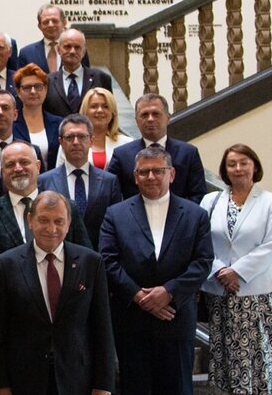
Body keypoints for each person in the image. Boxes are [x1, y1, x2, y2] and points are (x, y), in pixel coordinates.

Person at [99, 146, 213, 395]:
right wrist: (139, 296)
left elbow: (203, 261)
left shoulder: (196, 215)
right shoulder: (115, 214)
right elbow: (108, 260)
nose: (151, 177)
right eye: (144, 172)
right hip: (132, 320)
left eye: (158, 171)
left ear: (171, 174)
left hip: (176, 316)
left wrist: (169, 292)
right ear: (135, 176)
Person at [0, 191, 116, 395]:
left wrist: (103, 386)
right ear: (30, 220)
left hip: (77, 378)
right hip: (25, 378)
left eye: (59, 221)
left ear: (69, 223)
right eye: (43, 220)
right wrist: (1, 385)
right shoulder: (7, 264)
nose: (52, 229)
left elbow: (102, 328)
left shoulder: (91, 262)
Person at [201, 144, 272, 395]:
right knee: (224, 356)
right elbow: (201, 242)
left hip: (257, 292)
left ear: (255, 166)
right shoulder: (211, 200)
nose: (238, 168)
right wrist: (220, 272)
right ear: (224, 171)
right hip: (220, 293)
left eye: (243, 163)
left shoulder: (271, 202)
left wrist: (236, 271)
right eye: (231, 164)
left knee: (258, 356)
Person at [0, 141, 89, 258]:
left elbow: (85, 257)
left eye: (24, 162)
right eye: (10, 164)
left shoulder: (66, 207)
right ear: (2, 172)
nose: (18, 168)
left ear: (38, 166)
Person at [106, 93, 208, 203]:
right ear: (136, 121)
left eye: (156, 114)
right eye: (144, 115)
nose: (150, 119)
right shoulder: (121, 155)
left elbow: (198, 195)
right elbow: (111, 195)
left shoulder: (188, 153)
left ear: (168, 118)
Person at [38, 114, 123, 247]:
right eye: (69, 137)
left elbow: (117, 225)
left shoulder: (109, 181)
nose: (76, 142)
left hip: (99, 256)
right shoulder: (44, 181)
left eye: (82, 136)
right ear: (61, 142)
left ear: (91, 141)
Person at [56, 86, 132, 170]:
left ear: (113, 112)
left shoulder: (127, 143)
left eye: (106, 106)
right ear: (85, 111)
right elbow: (59, 176)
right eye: (94, 106)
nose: (100, 110)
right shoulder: (69, 142)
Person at [44, 28, 112, 117]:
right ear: (58, 50)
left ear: (84, 51)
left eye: (77, 47)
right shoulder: (48, 81)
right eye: (67, 47)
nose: (72, 51)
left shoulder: (101, 78)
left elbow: (109, 111)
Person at [0, 90, 42, 174]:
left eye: (5, 108)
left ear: (15, 114)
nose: (0, 113)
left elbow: (40, 183)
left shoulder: (32, 150)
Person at [12, 63, 63, 169]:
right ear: (18, 92)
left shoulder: (59, 123)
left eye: (38, 86)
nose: (33, 91)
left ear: (46, 89)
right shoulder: (10, 124)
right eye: (27, 87)